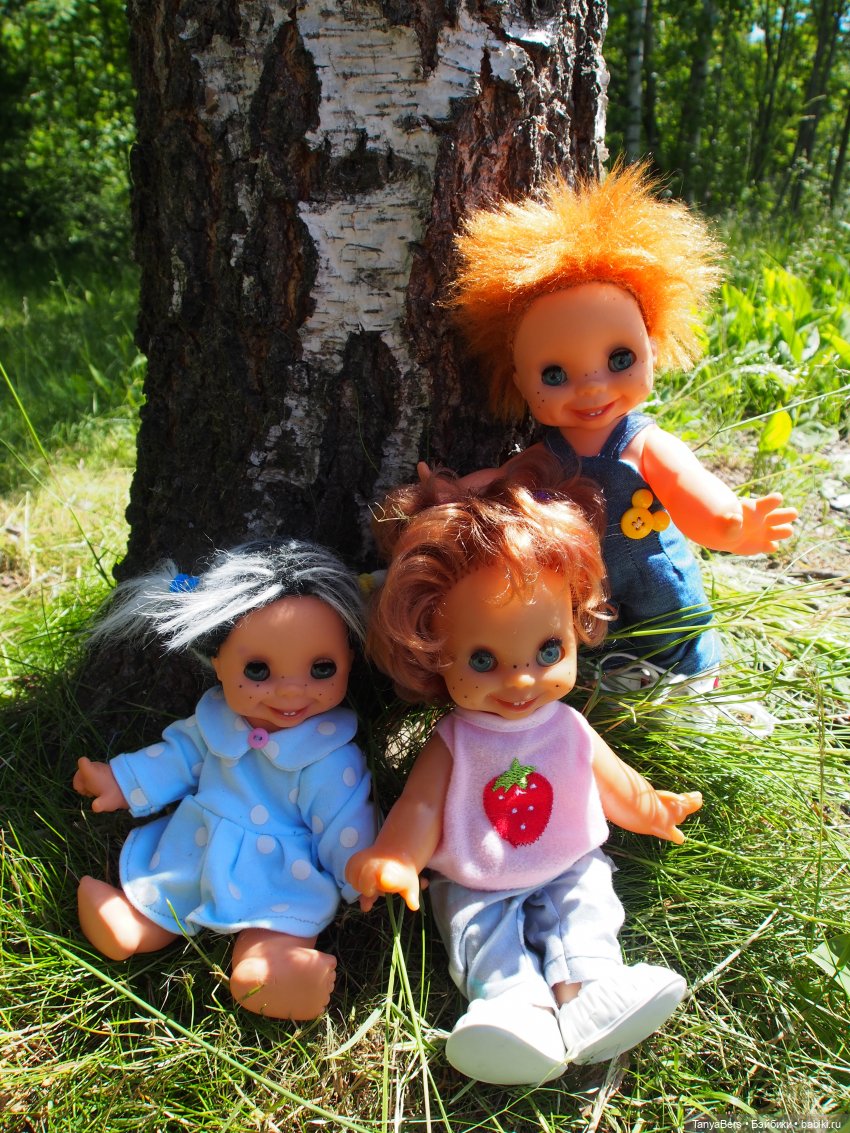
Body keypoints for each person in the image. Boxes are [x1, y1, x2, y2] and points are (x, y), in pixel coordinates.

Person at [346, 476, 702, 1085]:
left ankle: (592, 988)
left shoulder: (567, 724)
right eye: (483, 661)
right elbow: (421, 807)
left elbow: (609, 777)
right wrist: (398, 856)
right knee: (481, 934)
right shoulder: (454, 741)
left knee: (587, 906)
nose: (520, 681)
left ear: (575, 625)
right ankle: (511, 1010)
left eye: (548, 651)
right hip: (476, 877)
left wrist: (649, 808)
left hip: (568, 860)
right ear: (434, 654)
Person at [444, 161, 797, 693]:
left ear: (651, 347)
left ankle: (691, 680)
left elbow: (691, 492)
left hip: (654, 579)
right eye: (555, 375)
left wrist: (731, 524)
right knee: (592, 642)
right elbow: (503, 481)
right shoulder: (548, 453)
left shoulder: (644, 444)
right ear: (518, 379)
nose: (591, 388)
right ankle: (606, 687)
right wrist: (452, 495)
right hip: (585, 594)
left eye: (619, 359)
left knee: (671, 629)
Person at [73, 538, 377, 1020]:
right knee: (167, 891)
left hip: (279, 868)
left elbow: (342, 818)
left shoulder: (328, 755)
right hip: (199, 841)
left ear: (349, 660)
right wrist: (120, 779)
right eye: (258, 670)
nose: (291, 690)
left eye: (322, 669)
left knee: (275, 924)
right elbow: (177, 757)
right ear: (218, 662)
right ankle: (131, 927)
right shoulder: (214, 722)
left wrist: (361, 868)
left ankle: (271, 970)